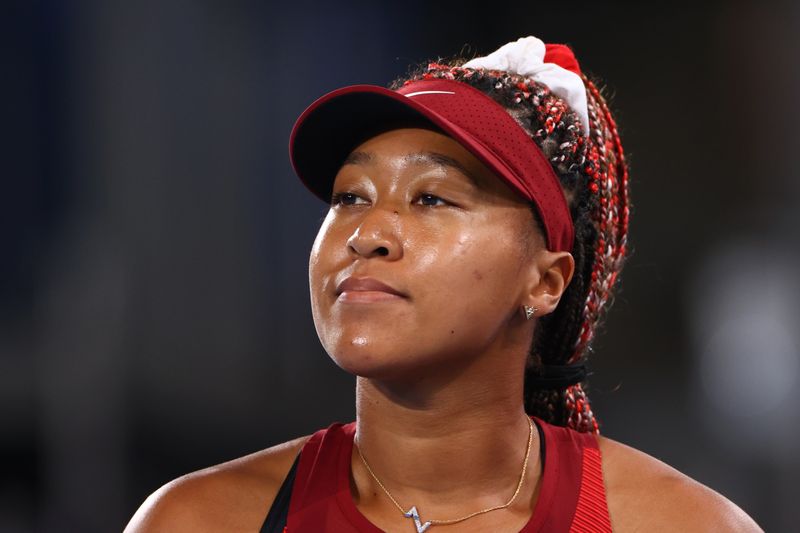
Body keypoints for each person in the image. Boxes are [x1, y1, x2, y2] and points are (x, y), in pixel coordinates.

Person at [125, 36, 762, 532]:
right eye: (350, 196)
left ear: (545, 281)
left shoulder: (681, 524)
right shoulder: (199, 521)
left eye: (431, 199)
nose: (368, 231)